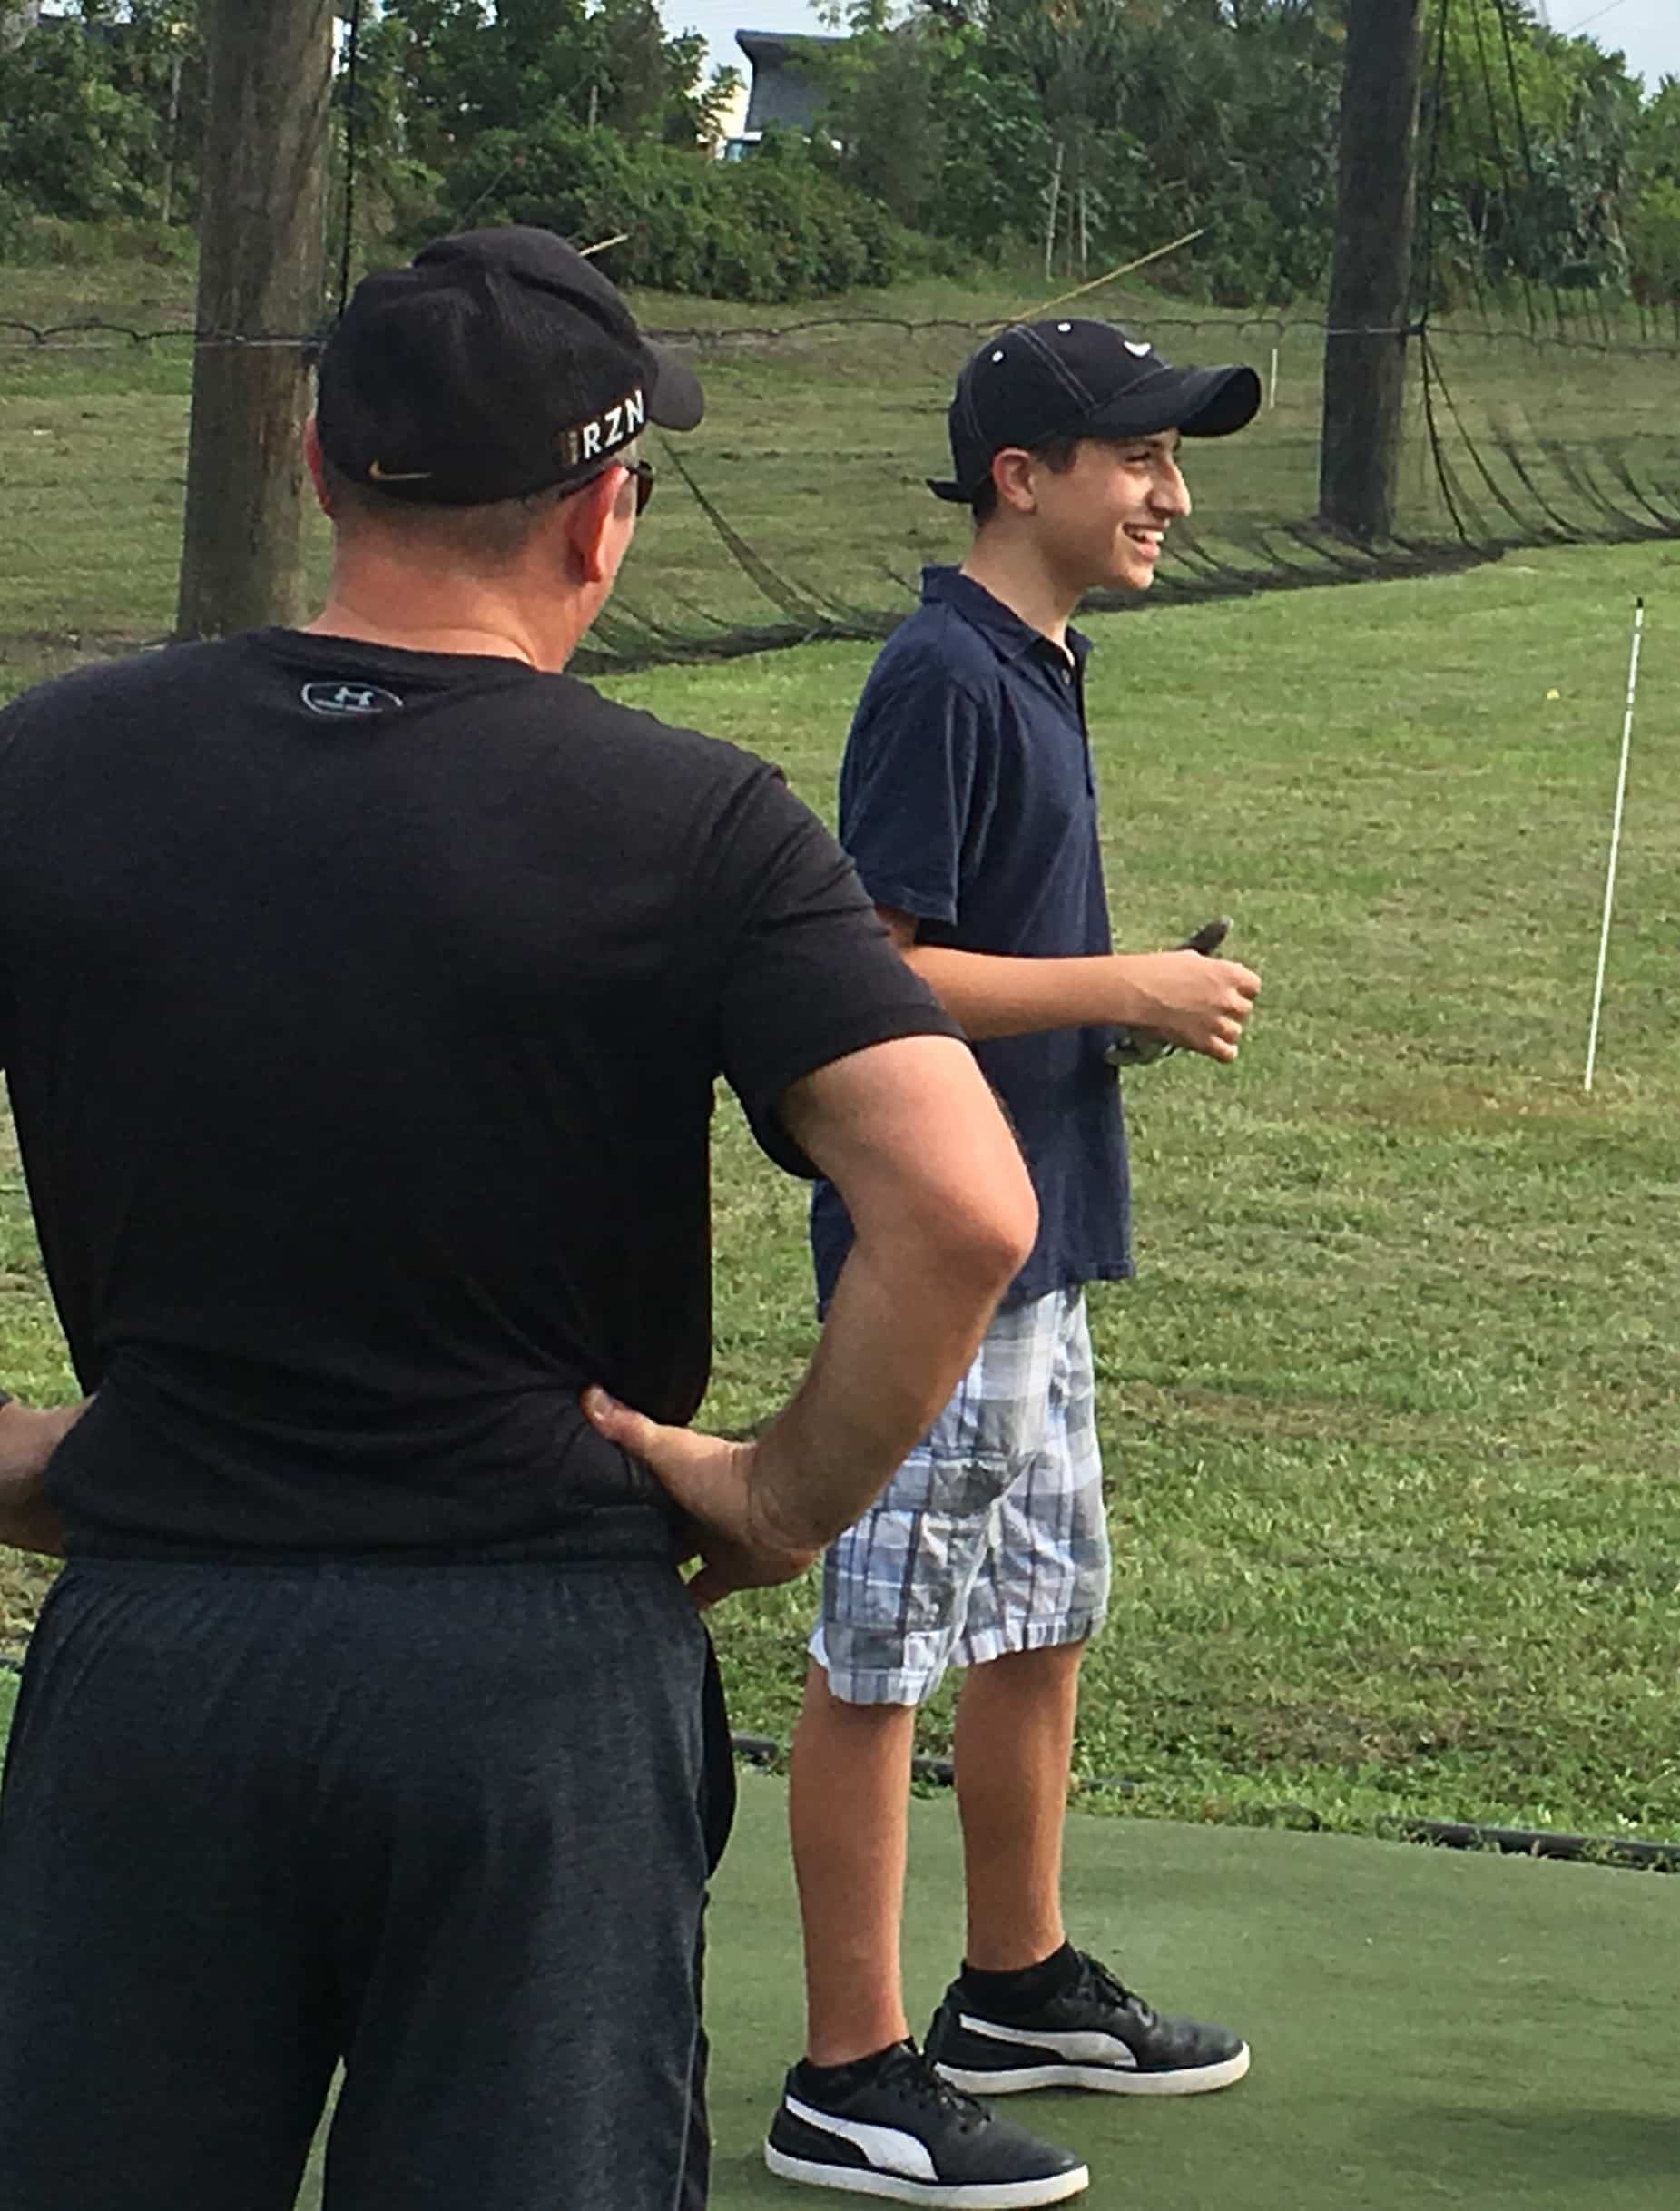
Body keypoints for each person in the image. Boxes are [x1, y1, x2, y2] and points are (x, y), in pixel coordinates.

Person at [0, 226, 1047, 2209]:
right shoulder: (698, 825)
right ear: (605, 516)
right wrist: (773, 1501)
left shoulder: (52, 765)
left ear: (318, 466)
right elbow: (963, 1208)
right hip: (531, 1684)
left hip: (159, 1654)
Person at [765, 320, 1265, 2209]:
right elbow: (869, 973)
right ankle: (846, 2070)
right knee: (881, 1648)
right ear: (1020, 478)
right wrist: (1115, 983)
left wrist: (1105, 1023)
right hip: (933, 1258)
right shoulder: (939, 676)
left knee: (1044, 1610)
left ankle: (1012, 1981)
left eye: (1171, 459)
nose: (1172, 495)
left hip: (1040, 1237)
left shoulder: (1036, 666)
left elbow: (985, 965)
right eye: (1137, 457)